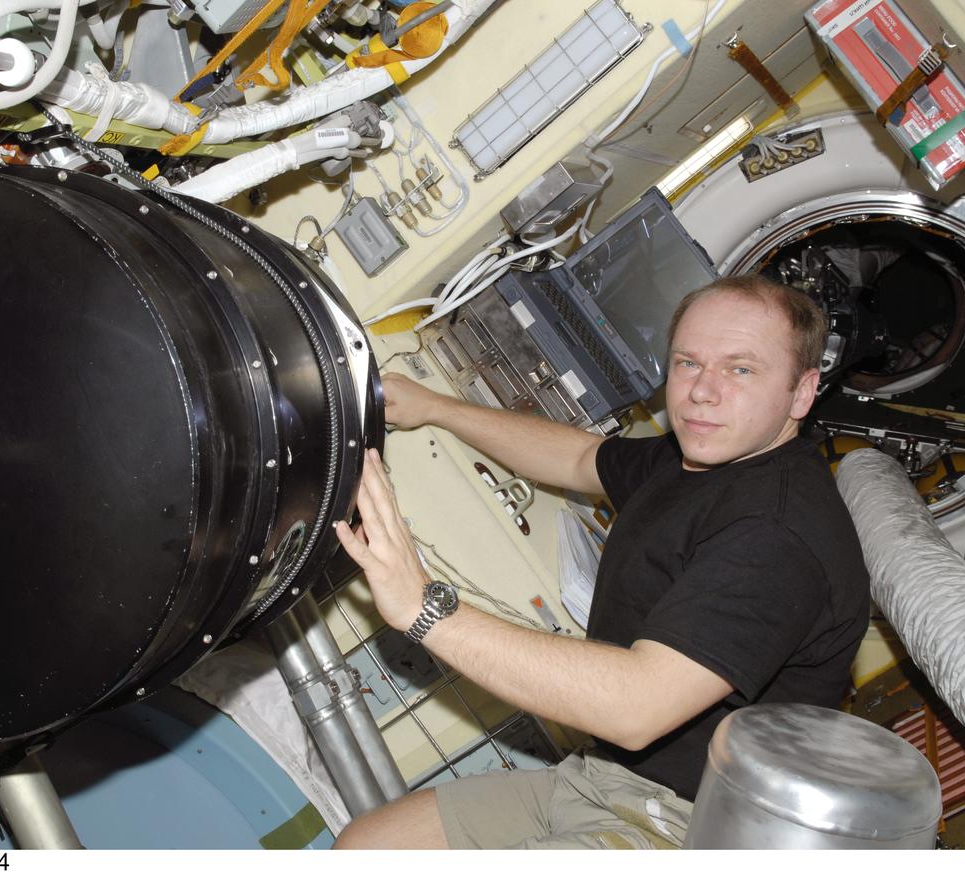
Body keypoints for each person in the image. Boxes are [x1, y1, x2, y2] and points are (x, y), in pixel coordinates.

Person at [331, 275, 871, 849]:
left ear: (803, 392)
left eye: (741, 370)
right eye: (688, 363)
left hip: (691, 826)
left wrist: (425, 608)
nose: (702, 393)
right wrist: (438, 408)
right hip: (601, 777)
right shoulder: (702, 456)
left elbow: (636, 707)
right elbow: (583, 457)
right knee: (364, 848)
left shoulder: (777, 535)